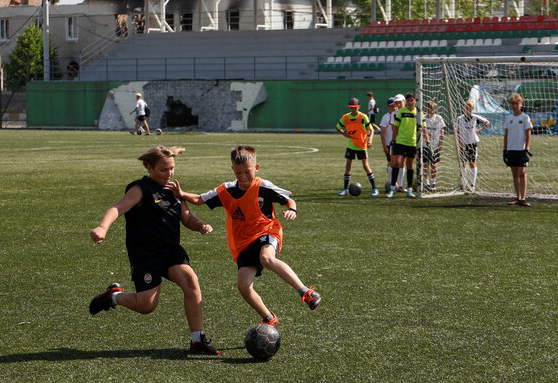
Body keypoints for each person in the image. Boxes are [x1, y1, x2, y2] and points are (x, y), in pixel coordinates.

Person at [87, 145, 220, 355]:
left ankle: (198, 340)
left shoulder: (174, 191)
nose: (169, 174)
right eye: (163, 170)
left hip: (170, 252)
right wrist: (103, 227)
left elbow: (186, 217)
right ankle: (113, 295)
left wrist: (200, 225)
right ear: (149, 167)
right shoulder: (140, 189)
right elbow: (117, 208)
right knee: (146, 306)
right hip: (145, 254)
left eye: (172, 168)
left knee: (191, 281)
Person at [174, 145, 322, 328]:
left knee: (267, 258)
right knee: (244, 287)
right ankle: (269, 317)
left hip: (267, 231)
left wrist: (292, 209)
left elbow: (289, 200)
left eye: (247, 172)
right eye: (238, 173)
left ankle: (306, 292)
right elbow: (199, 200)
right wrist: (181, 194)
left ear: (257, 168)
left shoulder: (263, 186)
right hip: (242, 244)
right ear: (232, 170)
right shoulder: (226, 190)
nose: (243, 177)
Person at [335, 97, 379, 196]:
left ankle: (375, 188)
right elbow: (338, 127)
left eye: (355, 107)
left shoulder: (363, 117)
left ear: (358, 107)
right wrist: (344, 133)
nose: (353, 109)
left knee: (366, 166)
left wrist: (370, 140)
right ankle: (345, 189)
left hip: (362, 145)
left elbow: (371, 130)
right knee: (348, 166)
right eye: (351, 107)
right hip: (351, 145)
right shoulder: (345, 117)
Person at [388, 93, 428, 198]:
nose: (410, 102)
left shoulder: (419, 113)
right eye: (408, 100)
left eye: (412, 100)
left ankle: (409, 189)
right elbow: (395, 127)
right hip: (400, 141)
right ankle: (392, 188)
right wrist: (393, 140)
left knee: (410, 165)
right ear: (406, 102)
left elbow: (423, 128)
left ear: (415, 101)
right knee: (397, 162)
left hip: (412, 142)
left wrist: (427, 141)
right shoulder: (401, 112)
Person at [454, 99, 490, 193]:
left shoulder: (475, 117)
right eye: (466, 107)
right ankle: (463, 184)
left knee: (472, 163)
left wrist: (479, 130)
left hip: (473, 143)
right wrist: (459, 141)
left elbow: (487, 122)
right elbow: (457, 131)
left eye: (470, 107)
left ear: (473, 108)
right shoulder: (460, 119)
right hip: (463, 143)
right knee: (462, 163)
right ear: (464, 108)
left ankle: (472, 185)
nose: (468, 109)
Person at [503, 93, 532, 206]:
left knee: (522, 173)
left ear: (521, 104)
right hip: (511, 149)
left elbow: (528, 133)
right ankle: (517, 196)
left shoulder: (525, 117)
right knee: (515, 173)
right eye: (513, 104)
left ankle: (523, 198)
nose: (515, 106)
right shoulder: (509, 118)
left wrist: (526, 148)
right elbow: (506, 135)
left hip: (521, 150)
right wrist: (505, 150)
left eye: (517, 104)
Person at [421, 101, 445, 192]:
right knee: (425, 164)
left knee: (434, 165)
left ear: (434, 109)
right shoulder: (423, 117)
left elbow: (442, 132)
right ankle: (426, 183)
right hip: (425, 145)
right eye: (427, 108)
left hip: (435, 145)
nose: (428, 110)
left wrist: (440, 144)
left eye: (430, 108)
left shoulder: (439, 118)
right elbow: (422, 130)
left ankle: (433, 183)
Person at [377, 97, 399, 192]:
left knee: (399, 163)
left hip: (399, 142)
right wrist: (384, 146)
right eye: (391, 106)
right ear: (388, 107)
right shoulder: (385, 117)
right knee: (391, 163)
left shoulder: (400, 115)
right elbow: (382, 133)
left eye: (394, 105)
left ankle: (397, 183)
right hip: (389, 143)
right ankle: (390, 181)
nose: (393, 107)